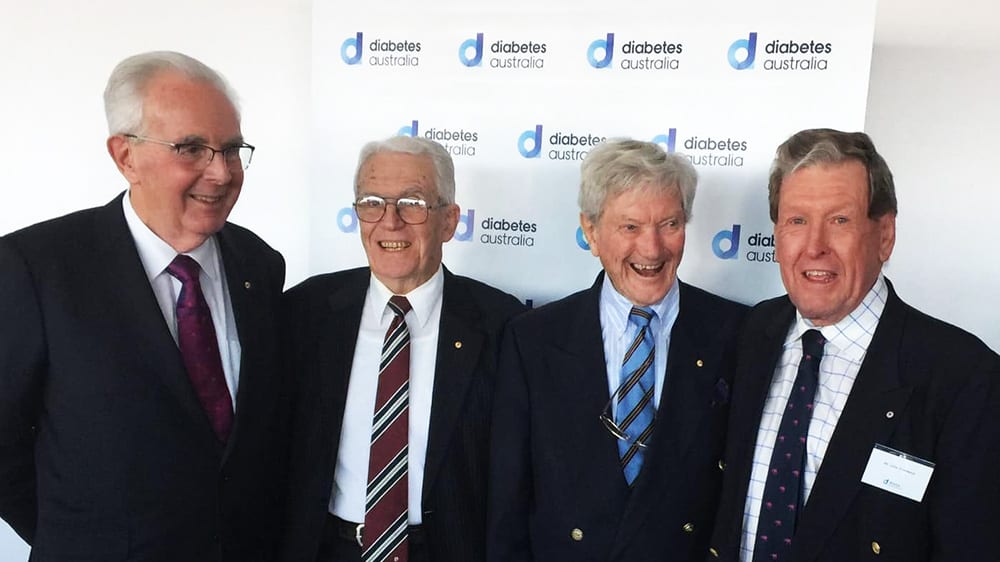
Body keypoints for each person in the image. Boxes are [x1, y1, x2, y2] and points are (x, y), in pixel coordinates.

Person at [0, 51, 286, 561]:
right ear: (125, 156)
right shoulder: (35, 268)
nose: (221, 173)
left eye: (231, 149)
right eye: (192, 148)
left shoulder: (260, 266)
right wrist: (81, 538)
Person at [706, 128, 1000, 562]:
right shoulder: (751, 333)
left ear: (884, 235)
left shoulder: (965, 378)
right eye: (797, 221)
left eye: (839, 220)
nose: (815, 247)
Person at [487, 139, 747, 561]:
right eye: (630, 227)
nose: (652, 248)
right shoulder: (533, 340)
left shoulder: (735, 333)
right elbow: (508, 506)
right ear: (591, 231)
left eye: (670, 224)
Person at [281, 136, 526, 562]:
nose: (389, 222)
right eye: (372, 202)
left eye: (412, 203)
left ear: (449, 221)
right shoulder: (304, 313)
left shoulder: (504, 327)